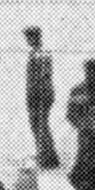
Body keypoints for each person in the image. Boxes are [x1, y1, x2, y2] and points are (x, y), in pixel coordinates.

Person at [23, 26, 60, 169]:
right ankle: (47, 156)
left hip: (40, 94)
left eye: (29, 37)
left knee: (40, 125)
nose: (27, 40)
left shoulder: (41, 54)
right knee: (38, 125)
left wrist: (39, 94)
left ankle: (47, 158)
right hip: (36, 94)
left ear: (36, 37)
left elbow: (44, 76)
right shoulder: (35, 53)